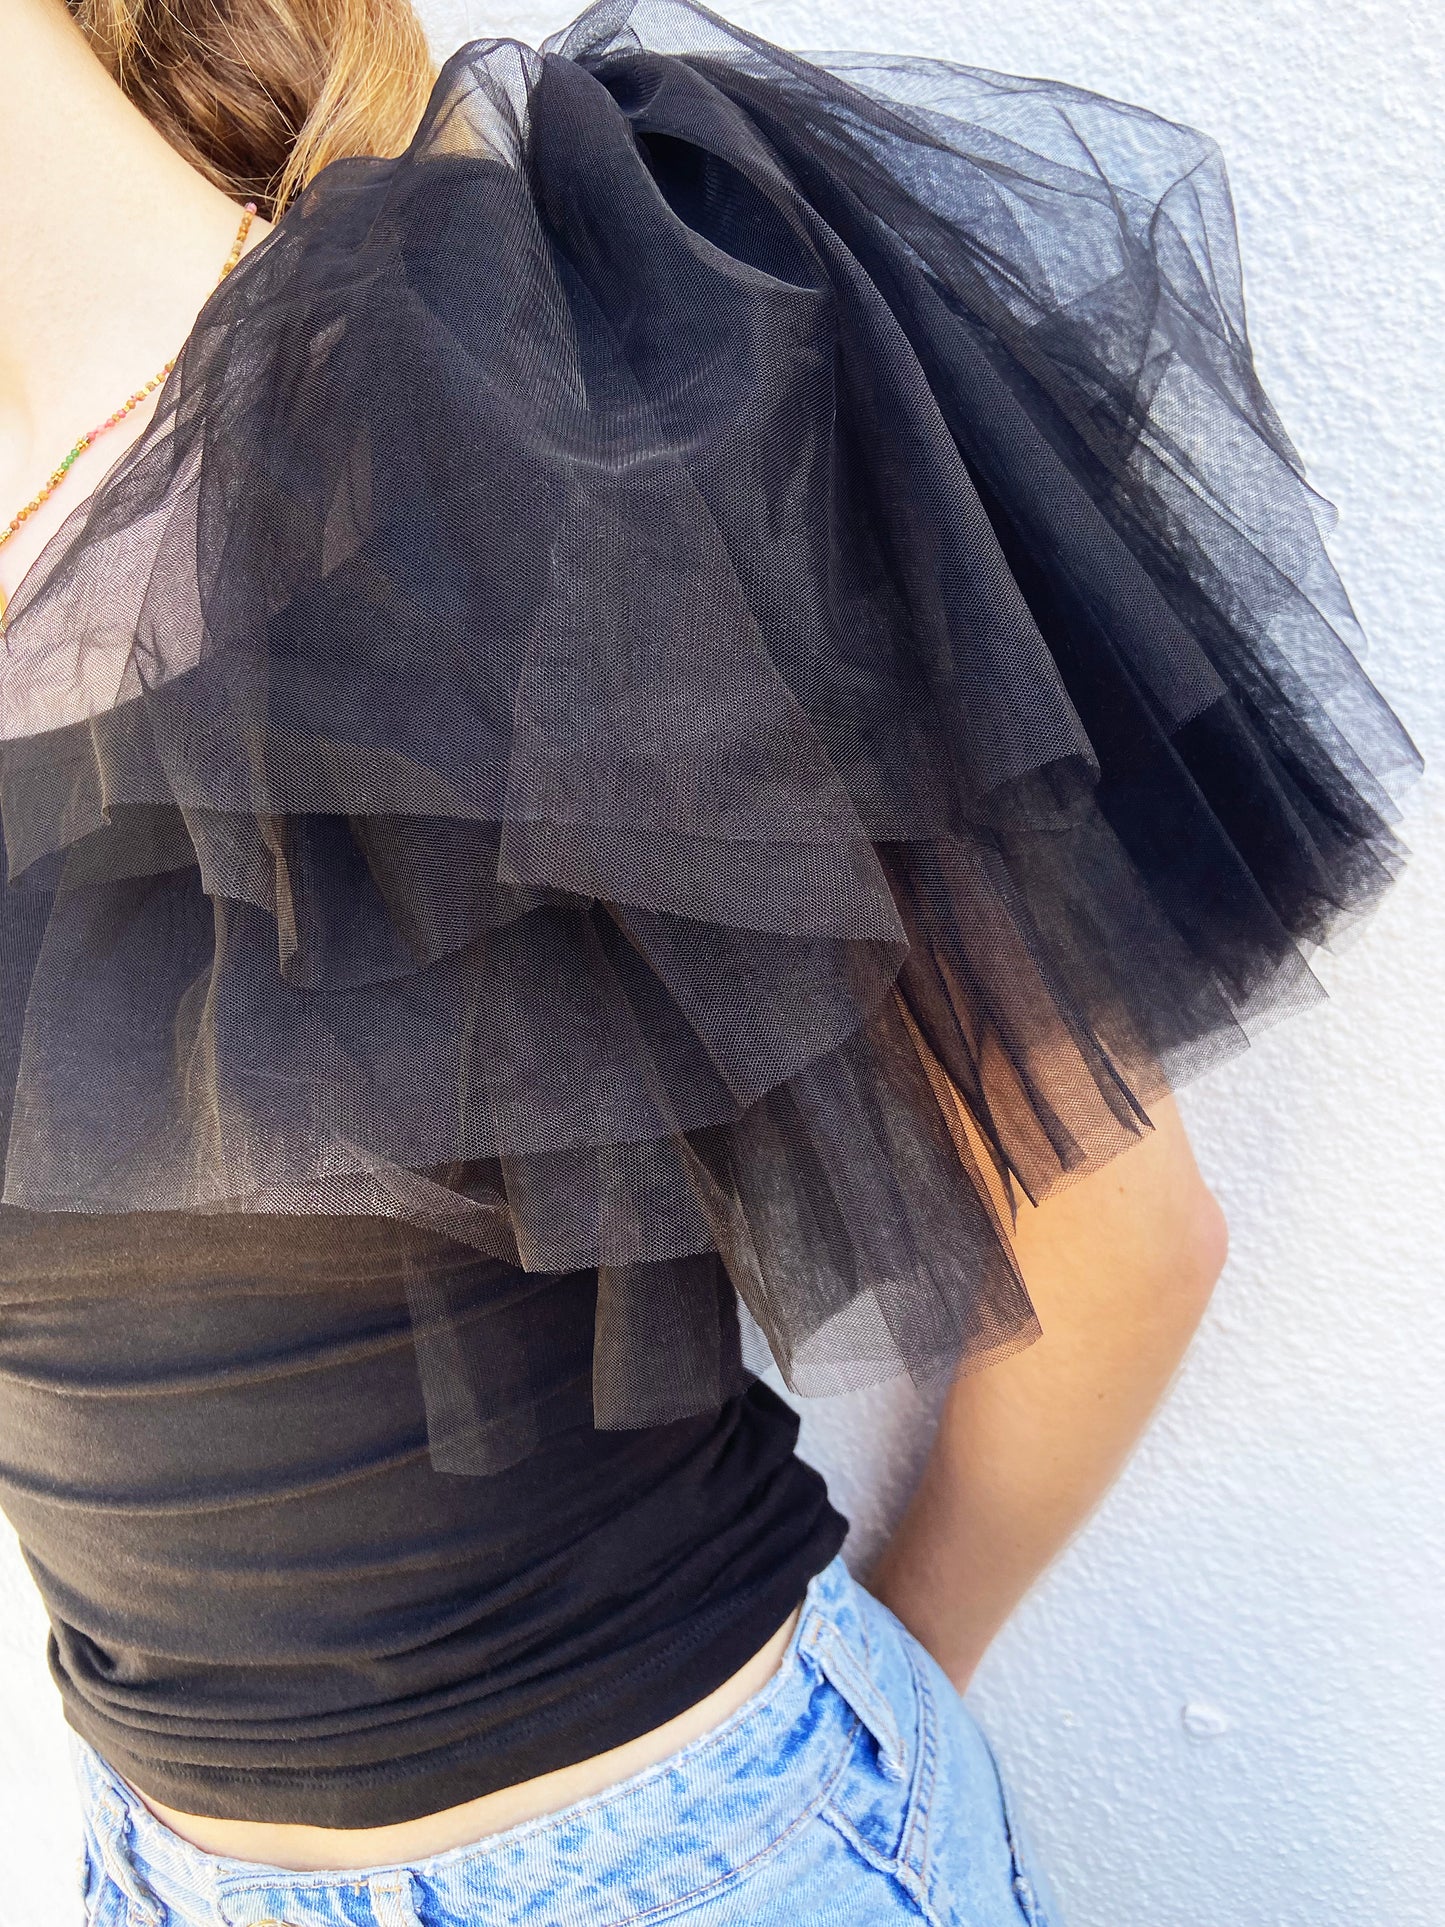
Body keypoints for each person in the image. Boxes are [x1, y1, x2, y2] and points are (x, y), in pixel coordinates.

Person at [0, 0, 1416, 1921]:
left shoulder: (566, 359)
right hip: (137, 1874)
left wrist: (850, 1740)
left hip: (700, 1862)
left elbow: (1115, 1241)